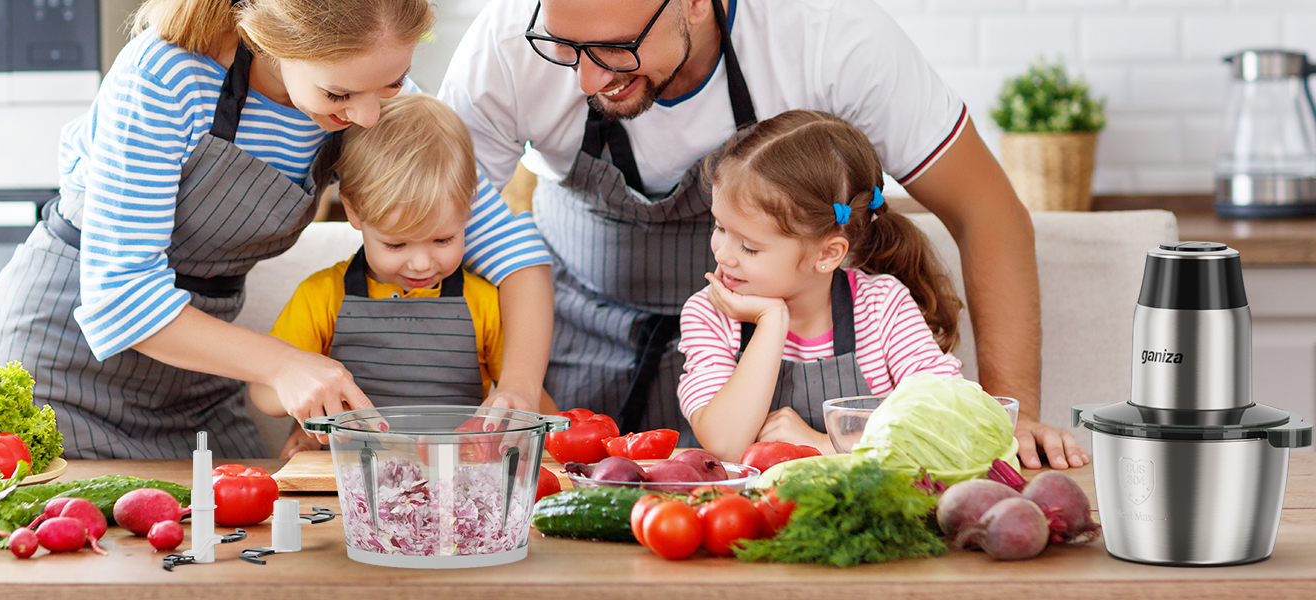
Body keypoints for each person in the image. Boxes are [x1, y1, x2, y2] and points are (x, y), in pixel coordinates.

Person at [439, 0, 1087, 468]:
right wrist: (521, 389)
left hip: (762, 363)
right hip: (576, 336)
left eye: (614, 48)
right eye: (566, 48)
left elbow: (990, 214)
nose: (584, 78)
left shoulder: (829, 35)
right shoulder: (506, 46)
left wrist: (1013, 419)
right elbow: (443, 234)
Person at [0, 0, 555, 460]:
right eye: (339, 94)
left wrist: (520, 390)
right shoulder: (168, 75)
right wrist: (282, 364)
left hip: (204, 375)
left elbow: (515, 255)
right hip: (59, 368)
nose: (370, 116)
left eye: (394, 82)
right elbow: (120, 299)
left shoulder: (366, 88)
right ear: (270, 40)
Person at [255, 94, 556, 456]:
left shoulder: (485, 303)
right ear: (353, 211)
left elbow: (528, 403)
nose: (421, 264)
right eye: (396, 245)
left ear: (469, 209)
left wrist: (548, 438)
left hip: (452, 486)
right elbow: (264, 395)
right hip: (349, 483)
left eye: (443, 239)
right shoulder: (321, 296)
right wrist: (309, 401)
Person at [680, 110, 962, 462]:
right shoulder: (710, 314)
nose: (723, 255)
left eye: (749, 247)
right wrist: (770, 322)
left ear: (828, 253)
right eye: (720, 228)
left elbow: (952, 421)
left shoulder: (882, 308)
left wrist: (824, 445)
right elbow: (724, 445)